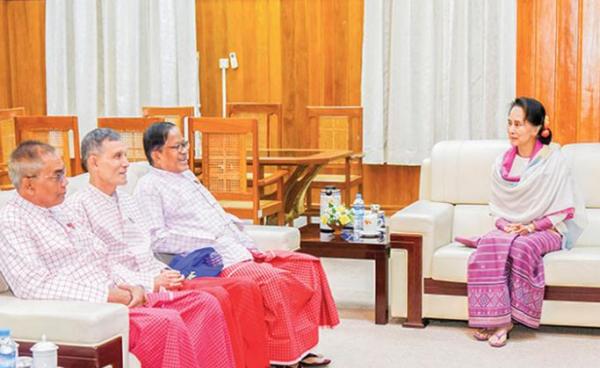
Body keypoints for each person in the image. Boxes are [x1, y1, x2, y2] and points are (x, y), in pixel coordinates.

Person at [0, 141, 235, 368]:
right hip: (92, 306)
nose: (66, 183)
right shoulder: (12, 220)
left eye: (65, 175)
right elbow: (34, 285)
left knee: (203, 304)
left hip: (119, 293)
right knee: (167, 322)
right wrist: (108, 295)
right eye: (57, 176)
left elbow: (103, 257)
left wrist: (134, 285)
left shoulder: (61, 209)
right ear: (28, 185)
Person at [134, 122, 339, 367]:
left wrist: (250, 246)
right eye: (177, 146)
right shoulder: (149, 187)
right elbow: (157, 238)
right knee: (273, 280)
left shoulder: (186, 176)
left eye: (185, 144)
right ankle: (282, 356)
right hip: (211, 259)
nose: (184, 151)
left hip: (233, 248)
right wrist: (209, 240)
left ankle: (300, 349)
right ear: (157, 154)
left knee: (305, 266)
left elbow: (220, 216)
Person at [66, 128, 269, 368]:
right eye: (118, 157)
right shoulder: (79, 208)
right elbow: (102, 265)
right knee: (210, 301)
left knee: (226, 294)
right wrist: (151, 282)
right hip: (134, 289)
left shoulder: (127, 200)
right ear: (94, 162)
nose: (126, 164)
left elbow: (145, 249)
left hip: (157, 275)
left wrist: (161, 273)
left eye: (126, 156)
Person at [459, 97, 586, 347]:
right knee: (492, 242)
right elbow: (495, 208)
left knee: (521, 246)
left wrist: (530, 227)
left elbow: (562, 209)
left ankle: (507, 321)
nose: (512, 130)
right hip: (511, 227)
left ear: (537, 128)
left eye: (519, 124)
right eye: (509, 123)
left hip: (548, 229)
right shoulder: (501, 164)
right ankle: (493, 317)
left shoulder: (554, 160)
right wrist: (504, 226)